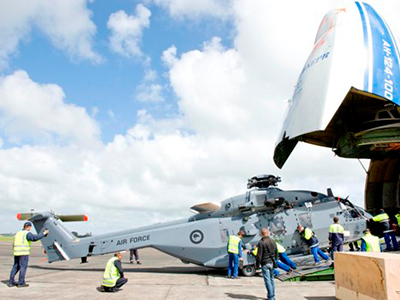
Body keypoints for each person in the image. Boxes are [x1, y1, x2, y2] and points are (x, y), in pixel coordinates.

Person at [8, 222, 49, 288]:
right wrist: (44, 234)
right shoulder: (27, 233)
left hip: (16, 253)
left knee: (15, 267)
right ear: (29, 227)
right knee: (23, 267)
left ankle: (11, 282)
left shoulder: (18, 233)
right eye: (30, 227)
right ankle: (21, 283)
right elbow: (34, 238)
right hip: (23, 253)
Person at [256, 228, 277, 300]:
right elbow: (276, 252)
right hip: (272, 262)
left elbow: (259, 255)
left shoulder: (261, 242)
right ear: (267, 233)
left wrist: (257, 265)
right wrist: (275, 260)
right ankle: (272, 296)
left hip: (265, 263)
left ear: (261, 234)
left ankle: (271, 297)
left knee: (267, 280)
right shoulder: (272, 241)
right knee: (272, 279)